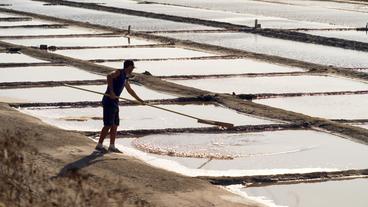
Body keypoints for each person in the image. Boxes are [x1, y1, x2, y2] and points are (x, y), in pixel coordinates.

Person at [95, 60, 143, 153]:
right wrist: (112, 92)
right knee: (108, 124)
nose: (133, 69)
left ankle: (112, 146)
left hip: (115, 102)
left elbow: (130, 90)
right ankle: (99, 145)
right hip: (109, 100)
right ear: (128, 67)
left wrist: (139, 100)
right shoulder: (118, 72)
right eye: (132, 68)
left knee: (115, 124)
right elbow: (109, 76)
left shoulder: (125, 77)